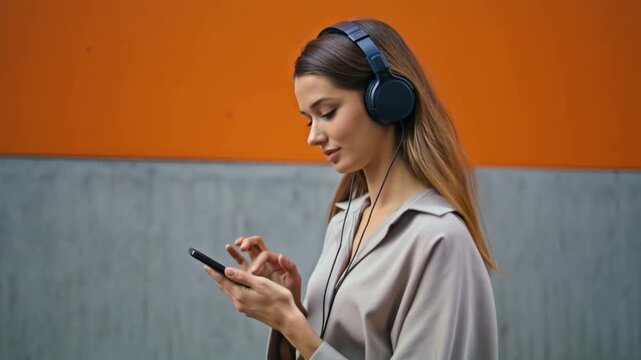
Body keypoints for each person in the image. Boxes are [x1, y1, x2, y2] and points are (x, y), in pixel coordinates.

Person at [204, 19, 498, 360]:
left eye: (327, 112)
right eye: (308, 119)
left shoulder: (440, 241)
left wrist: (296, 329)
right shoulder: (345, 220)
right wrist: (289, 309)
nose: (312, 136)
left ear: (386, 101)